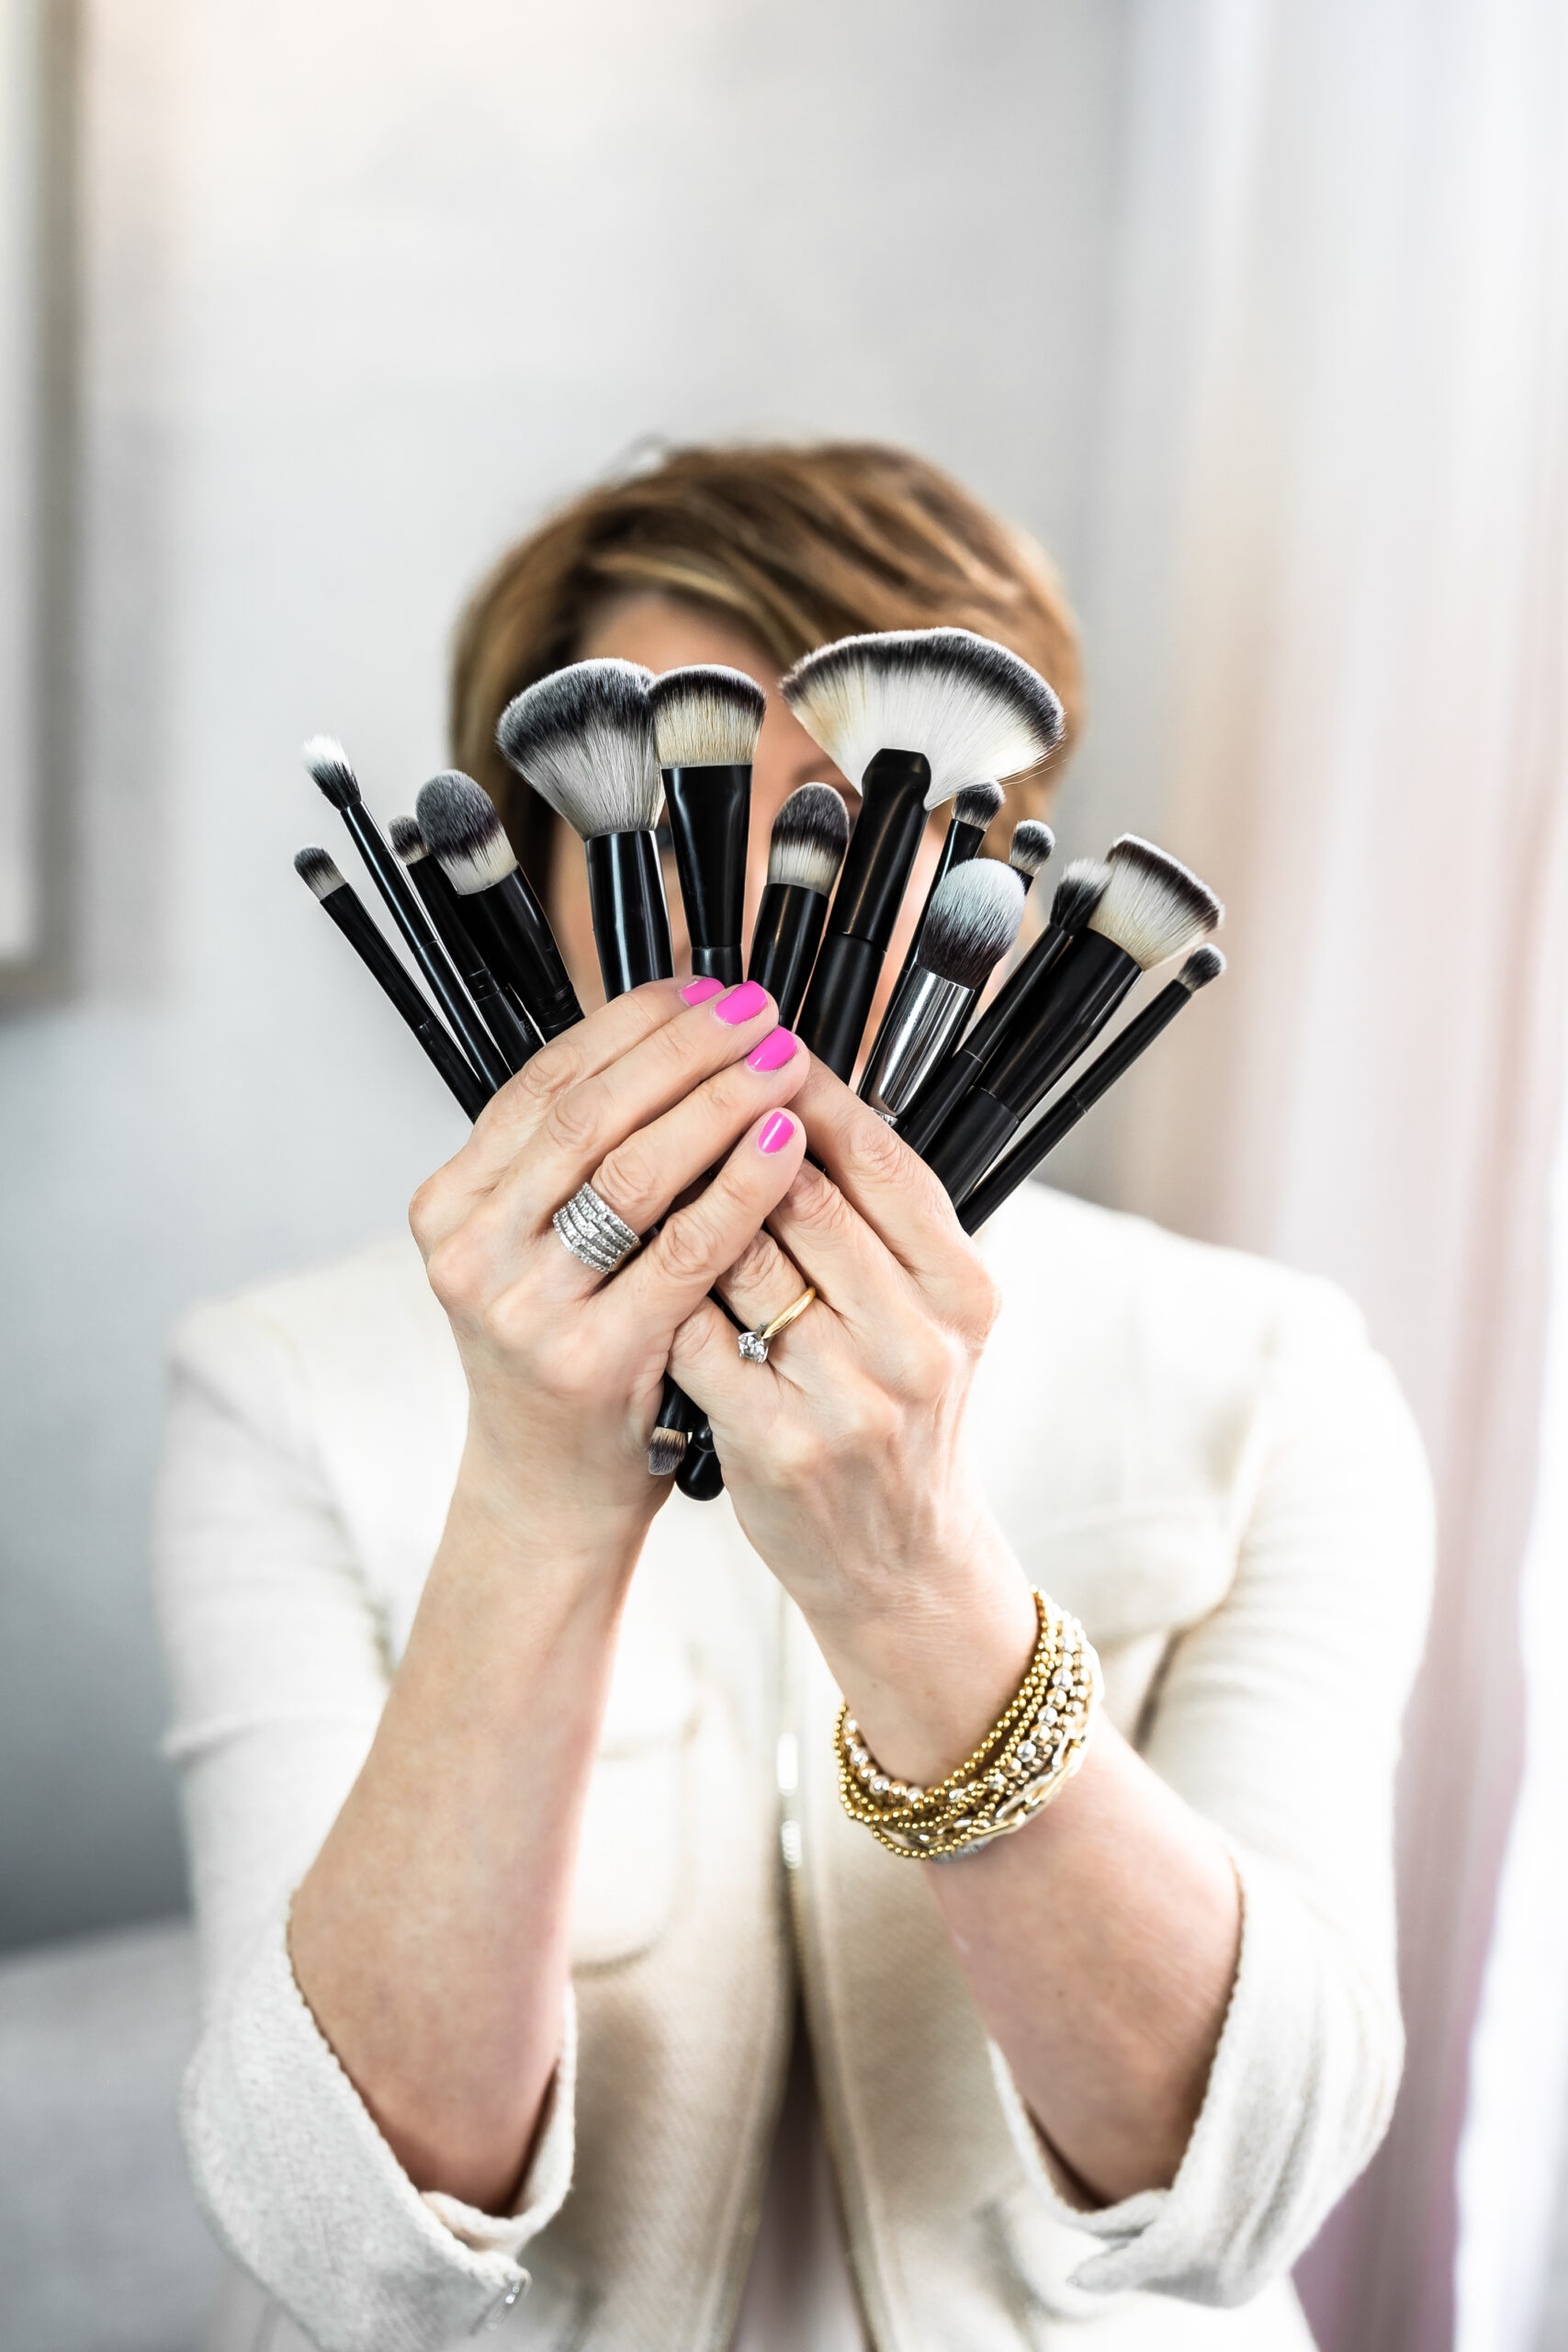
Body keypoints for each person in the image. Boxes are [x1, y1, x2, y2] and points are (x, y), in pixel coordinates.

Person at [154, 442, 1433, 2352]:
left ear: (996, 871)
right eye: (677, 815)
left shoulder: (1267, 1372)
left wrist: (907, 1568)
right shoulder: (277, 1383)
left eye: (840, 816)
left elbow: (1247, 2194)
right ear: (531, 869)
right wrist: (535, 1483)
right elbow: (340, 2246)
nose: (760, 907)